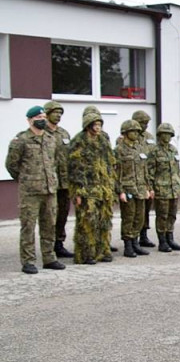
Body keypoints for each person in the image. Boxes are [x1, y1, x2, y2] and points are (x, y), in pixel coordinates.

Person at [5, 106, 65, 274]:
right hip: (30, 191)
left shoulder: (51, 139)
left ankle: (49, 258)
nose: (42, 119)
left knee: (49, 226)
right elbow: (11, 165)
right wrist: (26, 179)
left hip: (49, 190)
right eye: (39, 117)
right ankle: (28, 261)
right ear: (30, 120)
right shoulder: (21, 140)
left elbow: (55, 162)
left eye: (44, 116)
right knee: (28, 227)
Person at [68, 109, 116, 265]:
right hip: (87, 189)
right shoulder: (78, 141)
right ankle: (86, 254)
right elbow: (74, 167)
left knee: (105, 220)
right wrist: (78, 191)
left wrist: (111, 185)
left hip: (104, 188)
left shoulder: (103, 139)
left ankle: (103, 251)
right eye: (94, 124)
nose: (97, 128)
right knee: (87, 222)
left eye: (99, 124)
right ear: (88, 125)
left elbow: (110, 163)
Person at [114, 119, 153, 257]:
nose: (136, 134)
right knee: (128, 218)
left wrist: (149, 188)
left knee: (139, 217)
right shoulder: (119, 150)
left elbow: (145, 170)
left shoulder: (140, 148)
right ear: (125, 132)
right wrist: (120, 191)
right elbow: (116, 173)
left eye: (137, 131)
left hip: (141, 188)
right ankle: (128, 245)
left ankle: (136, 242)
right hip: (128, 188)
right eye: (133, 131)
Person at [43, 101, 74, 259]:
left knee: (63, 214)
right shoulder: (42, 133)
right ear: (47, 114)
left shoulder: (64, 134)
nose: (58, 115)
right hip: (50, 183)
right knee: (50, 215)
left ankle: (59, 244)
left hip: (64, 182)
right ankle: (48, 247)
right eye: (55, 112)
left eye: (60, 113)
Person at [148, 123, 180, 252]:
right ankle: (162, 241)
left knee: (172, 215)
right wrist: (151, 188)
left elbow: (177, 170)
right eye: (165, 134)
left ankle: (170, 238)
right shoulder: (154, 151)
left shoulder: (173, 150)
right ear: (160, 135)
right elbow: (150, 171)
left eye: (169, 134)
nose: (167, 137)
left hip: (174, 188)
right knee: (162, 215)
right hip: (161, 189)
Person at [132, 110, 157, 248]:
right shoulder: (128, 136)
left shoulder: (149, 137)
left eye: (147, 123)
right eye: (142, 123)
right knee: (136, 210)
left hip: (149, 178)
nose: (145, 126)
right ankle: (133, 237)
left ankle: (144, 235)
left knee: (146, 209)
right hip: (135, 179)